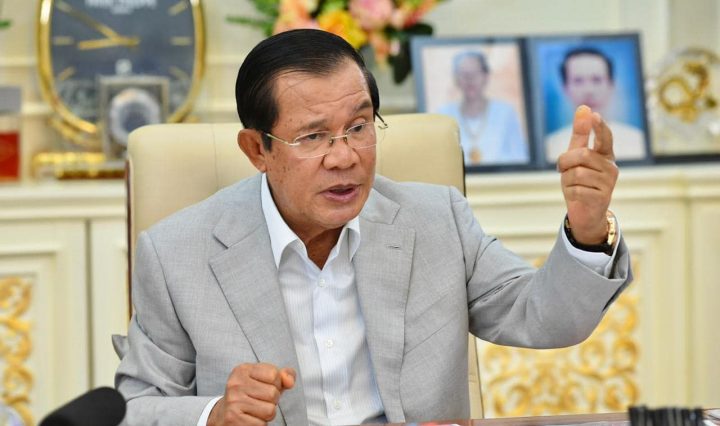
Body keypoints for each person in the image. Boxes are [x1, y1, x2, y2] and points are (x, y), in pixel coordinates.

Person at [115, 29, 632, 426]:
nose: (345, 157)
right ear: (257, 150)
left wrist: (587, 228)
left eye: (359, 127)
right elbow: (135, 408)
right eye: (313, 137)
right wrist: (214, 415)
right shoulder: (177, 253)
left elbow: (546, 319)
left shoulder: (436, 220)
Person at [545, 46, 647, 163]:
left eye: (596, 80)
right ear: (565, 88)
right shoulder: (550, 145)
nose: (589, 90)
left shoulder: (638, 140)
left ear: (611, 85)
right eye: (578, 81)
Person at [436, 51, 529, 166]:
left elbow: (519, 157)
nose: (470, 79)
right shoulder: (444, 115)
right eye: (464, 74)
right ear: (456, 79)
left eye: (475, 73)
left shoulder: (506, 112)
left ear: (486, 76)